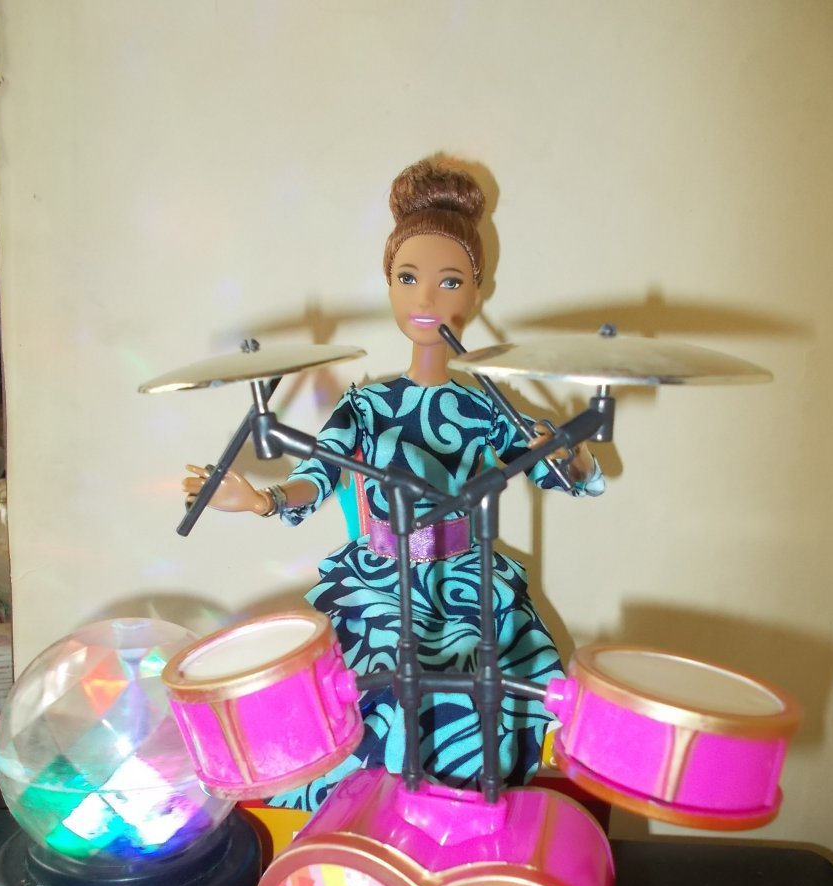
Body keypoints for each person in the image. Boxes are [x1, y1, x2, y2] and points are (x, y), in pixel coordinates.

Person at [183, 157, 604, 810]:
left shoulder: (486, 405)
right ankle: (366, 823)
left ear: (475, 292)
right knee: (363, 688)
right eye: (408, 278)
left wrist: (571, 457)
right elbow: (319, 473)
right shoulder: (366, 405)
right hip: (375, 579)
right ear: (389, 286)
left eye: (449, 281)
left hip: (467, 580)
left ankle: (453, 824)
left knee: (475, 694)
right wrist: (263, 499)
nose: (426, 300)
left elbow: (554, 469)